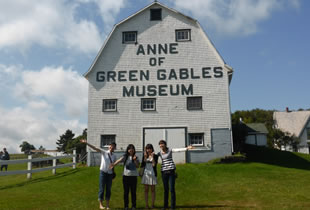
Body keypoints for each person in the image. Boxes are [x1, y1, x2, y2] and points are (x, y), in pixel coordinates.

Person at [157, 140, 194, 210]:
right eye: (160, 144)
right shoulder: (159, 153)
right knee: (166, 190)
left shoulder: (170, 150)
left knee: (172, 189)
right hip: (164, 172)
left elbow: (178, 150)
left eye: (162, 144)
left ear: (165, 145)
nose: (161, 145)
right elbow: (152, 157)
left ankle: (172, 207)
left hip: (171, 172)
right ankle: (165, 206)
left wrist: (187, 148)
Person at [80, 139, 116, 210]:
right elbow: (95, 148)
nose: (112, 148)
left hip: (110, 174)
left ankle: (108, 205)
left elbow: (113, 165)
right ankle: (101, 205)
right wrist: (86, 143)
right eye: (111, 146)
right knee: (102, 188)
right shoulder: (104, 152)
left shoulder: (114, 156)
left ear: (115, 148)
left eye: (114, 147)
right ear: (109, 147)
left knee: (108, 189)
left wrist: (113, 173)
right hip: (103, 173)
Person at [111, 144, 140, 210]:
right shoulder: (125, 156)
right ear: (127, 150)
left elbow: (137, 166)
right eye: (129, 149)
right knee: (126, 192)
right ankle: (126, 206)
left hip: (133, 177)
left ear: (134, 150)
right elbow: (119, 160)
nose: (131, 150)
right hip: (126, 177)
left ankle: (133, 206)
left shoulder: (136, 157)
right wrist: (113, 165)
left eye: (132, 149)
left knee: (133, 192)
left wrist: (135, 160)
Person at [141, 144, 158, 209]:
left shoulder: (155, 156)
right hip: (146, 174)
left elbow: (154, 165)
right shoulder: (144, 156)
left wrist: (152, 157)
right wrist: (145, 157)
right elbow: (142, 164)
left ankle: (152, 205)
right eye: (147, 149)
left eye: (149, 148)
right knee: (146, 190)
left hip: (153, 174)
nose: (148, 150)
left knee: (153, 190)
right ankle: (146, 205)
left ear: (152, 149)